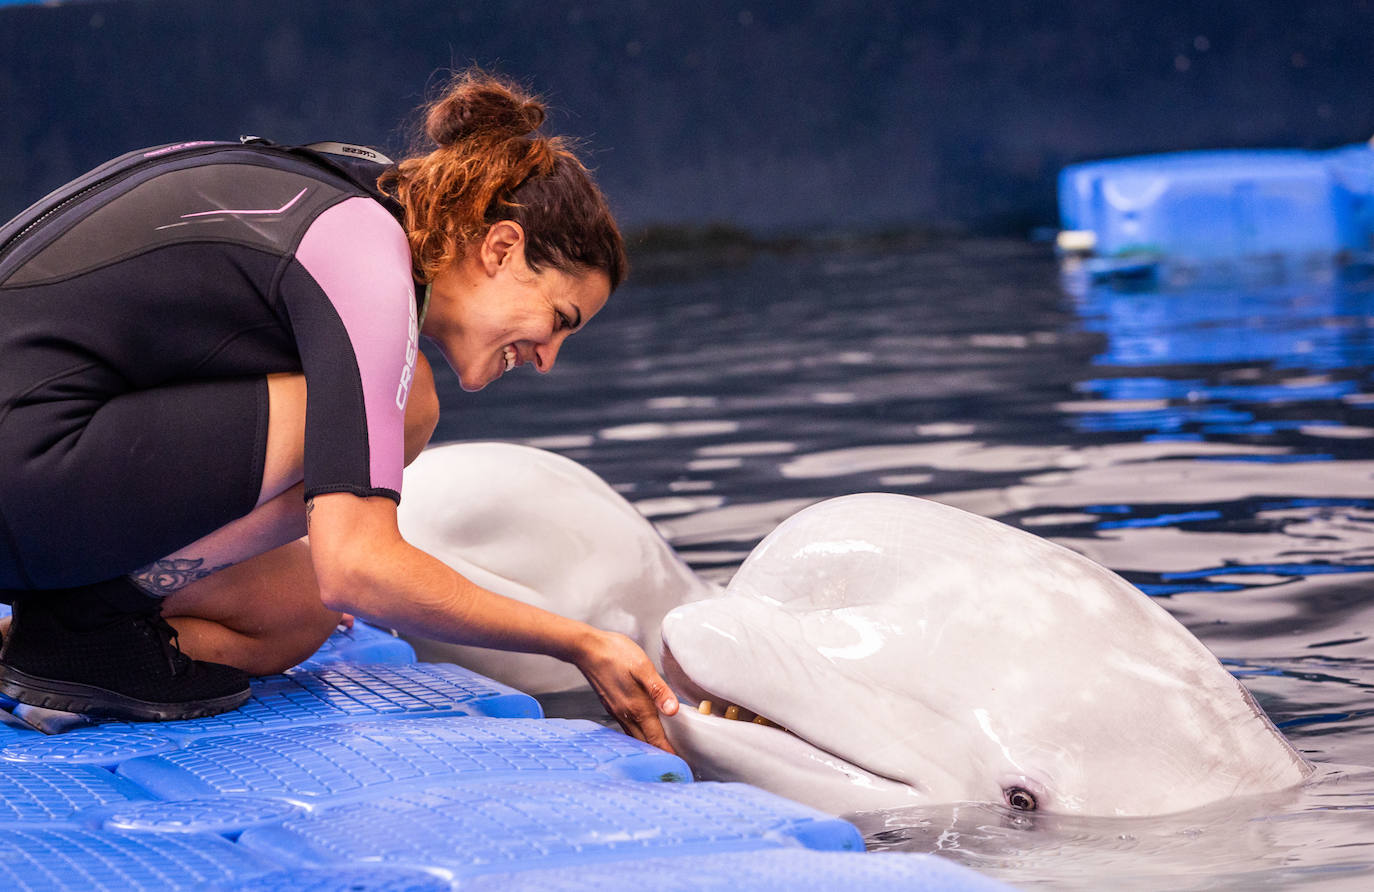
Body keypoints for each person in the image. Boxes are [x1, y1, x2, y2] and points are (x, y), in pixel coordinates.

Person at [0, 71, 679, 751]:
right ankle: (84, 631)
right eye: (558, 319)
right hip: (23, 462)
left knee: (296, 608)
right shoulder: (364, 249)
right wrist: (582, 642)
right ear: (502, 248)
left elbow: (331, 580)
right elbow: (360, 567)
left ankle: (40, 637)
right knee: (406, 413)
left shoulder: (355, 194)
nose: (548, 357)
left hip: (36, 461)